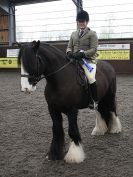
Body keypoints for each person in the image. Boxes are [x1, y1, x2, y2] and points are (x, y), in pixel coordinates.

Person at [66, 10, 98, 109]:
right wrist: (69, 52)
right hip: (74, 60)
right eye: (80, 21)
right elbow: (69, 46)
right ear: (77, 22)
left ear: (87, 22)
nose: (81, 23)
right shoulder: (73, 34)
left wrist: (83, 54)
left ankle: (94, 100)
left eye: (83, 21)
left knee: (90, 78)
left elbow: (94, 49)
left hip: (88, 61)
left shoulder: (92, 34)